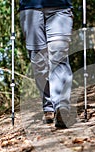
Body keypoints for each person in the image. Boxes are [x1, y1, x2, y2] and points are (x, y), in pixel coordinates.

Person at [19, 0, 73, 128]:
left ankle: (61, 105)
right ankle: (48, 106)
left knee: (59, 56)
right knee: (39, 63)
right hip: (30, 7)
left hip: (60, 7)